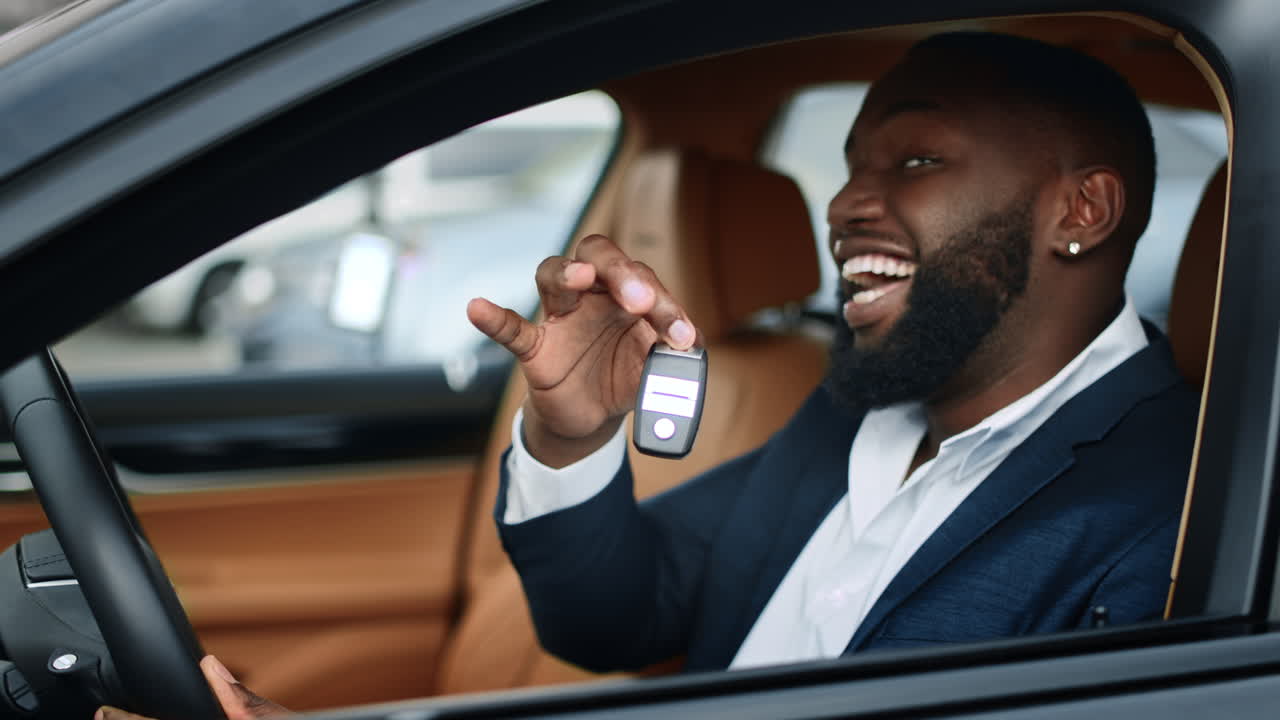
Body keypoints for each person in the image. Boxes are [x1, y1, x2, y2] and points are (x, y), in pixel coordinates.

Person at [98, 30, 1199, 719]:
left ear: (1079, 212)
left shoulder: (1175, 511)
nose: (844, 202)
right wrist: (573, 442)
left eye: (911, 160)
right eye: (851, 162)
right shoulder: (850, 408)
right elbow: (614, 619)